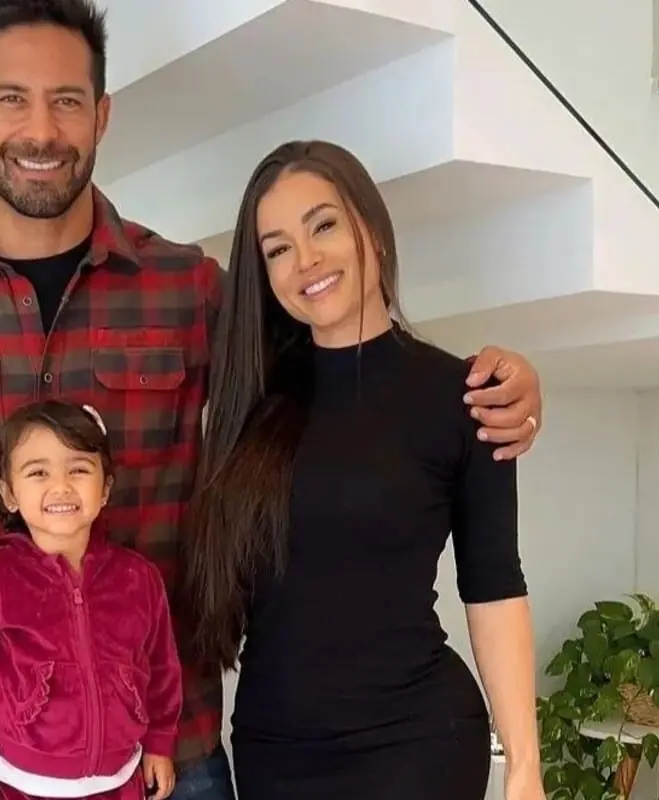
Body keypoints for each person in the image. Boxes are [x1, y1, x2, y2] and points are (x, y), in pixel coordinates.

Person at [0, 1, 546, 796]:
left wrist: (495, 384)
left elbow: (345, 366)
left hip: (162, 754)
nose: (41, 130)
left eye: (67, 101)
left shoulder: (190, 291)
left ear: (101, 116)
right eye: (13, 99)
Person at [178, 140, 542, 800]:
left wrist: (524, 766)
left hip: (416, 744)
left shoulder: (463, 396)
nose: (306, 260)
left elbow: (494, 585)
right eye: (278, 249)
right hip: (274, 751)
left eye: (323, 226)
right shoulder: (247, 405)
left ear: (370, 227)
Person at [0, 400, 181, 800]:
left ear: (105, 489)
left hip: (120, 783)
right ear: (8, 493)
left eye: (79, 469)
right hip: (20, 786)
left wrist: (160, 742)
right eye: (38, 472)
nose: (61, 486)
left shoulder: (139, 578)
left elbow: (162, 667)